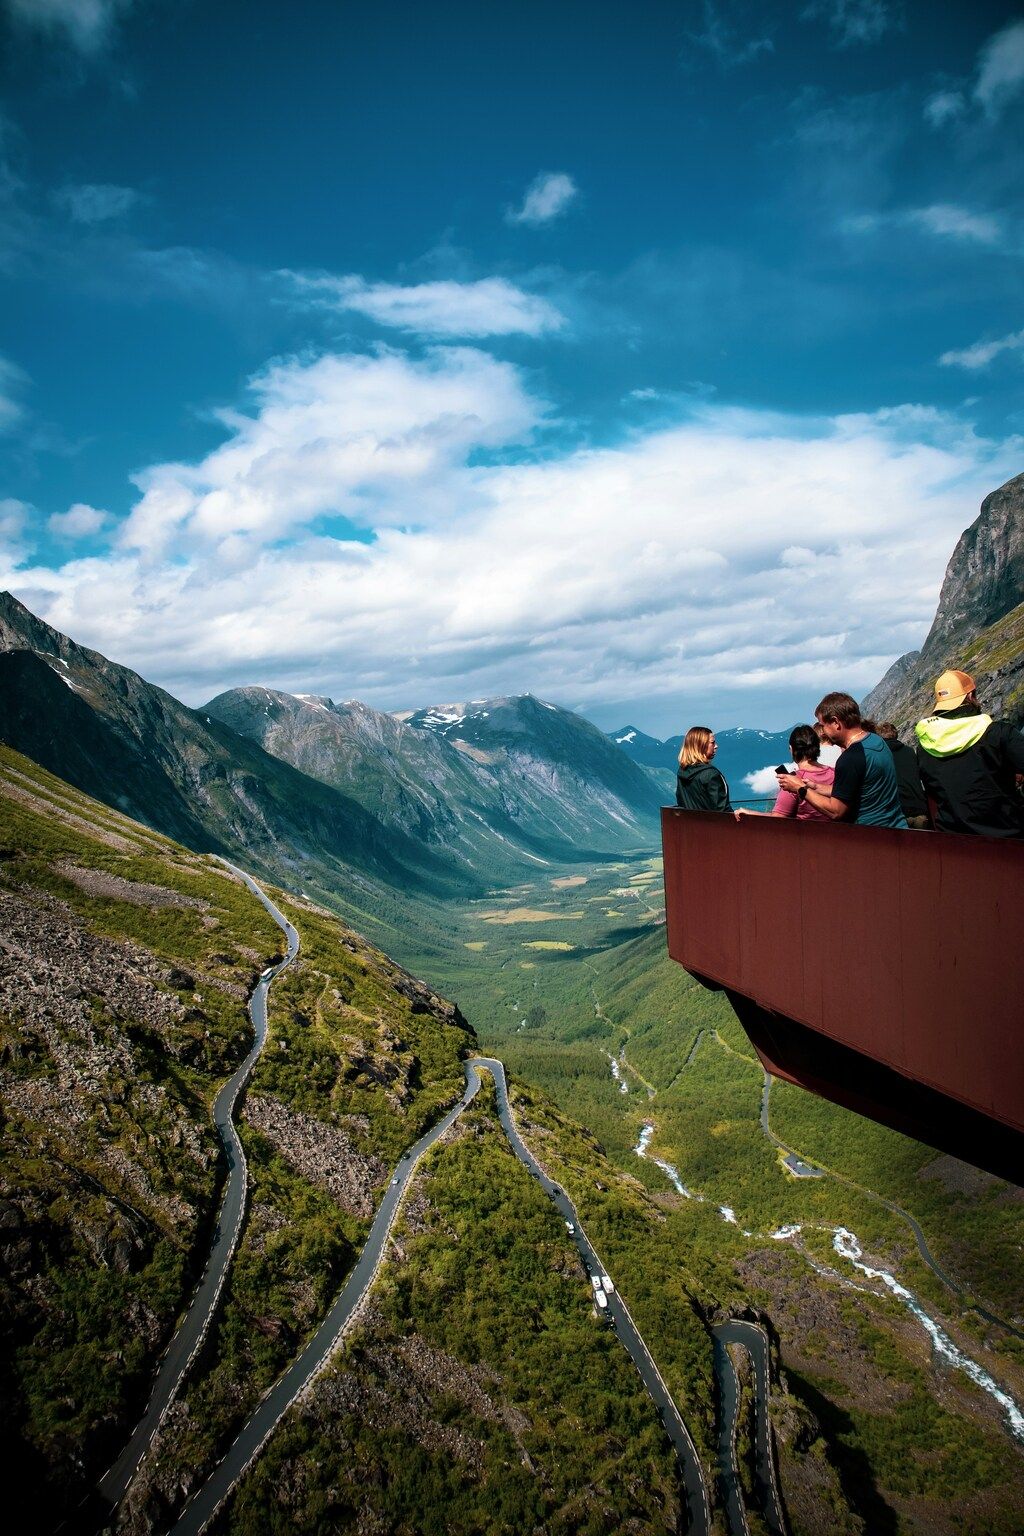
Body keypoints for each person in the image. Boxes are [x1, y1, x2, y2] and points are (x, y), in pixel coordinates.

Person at [914, 670, 1024, 838]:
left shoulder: (925, 745)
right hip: (1008, 840)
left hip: (953, 842)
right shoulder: (1000, 733)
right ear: (971, 696)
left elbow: (932, 790)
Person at [777, 692, 907, 828]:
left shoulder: (850, 758)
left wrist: (800, 788)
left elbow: (836, 811)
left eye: (823, 725)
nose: (822, 732)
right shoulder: (877, 741)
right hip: (897, 829)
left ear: (835, 722)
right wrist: (816, 787)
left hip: (871, 837)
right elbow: (859, 789)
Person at [734, 724, 834, 821]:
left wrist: (750, 813)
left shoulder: (792, 781)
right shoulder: (835, 773)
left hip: (806, 835)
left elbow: (778, 818)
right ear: (817, 747)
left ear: (791, 749)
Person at [877, 721, 930, 829]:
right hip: (920, 809)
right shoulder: (910, 751)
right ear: (896, 734)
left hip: (897, 814)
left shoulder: (879, 755)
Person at [676, 726, 732, 812]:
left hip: (689, 824)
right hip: (713, 825)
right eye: (712, 743)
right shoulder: (712, 775)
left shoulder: (682, 772)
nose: (716, 746)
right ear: (700, 745)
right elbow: (723, 813)